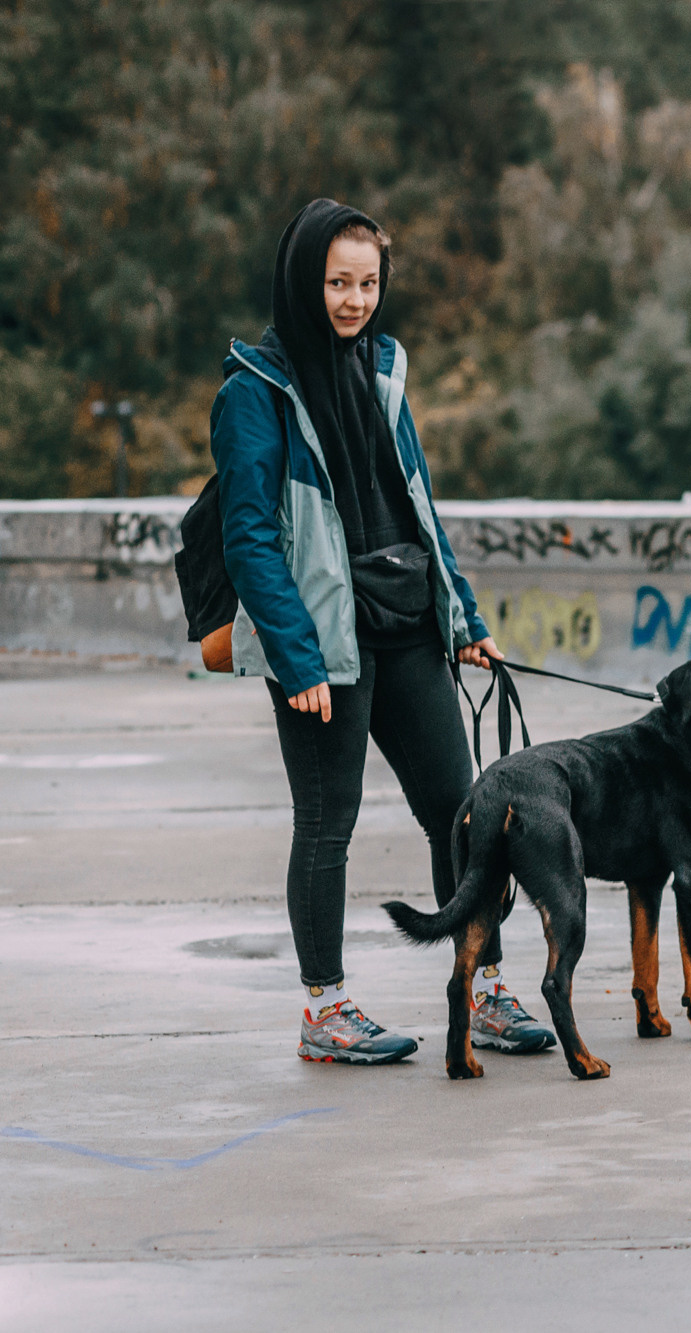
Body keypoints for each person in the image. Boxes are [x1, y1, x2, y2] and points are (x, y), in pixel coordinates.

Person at [211, 199, 554, 1064]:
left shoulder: (383, 371)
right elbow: (249, 538)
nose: (355, 299)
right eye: (337, 282)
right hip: (323, 645)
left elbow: (418, 505)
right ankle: (324, 1011)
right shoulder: (254, 393)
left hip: (405, 627)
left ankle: (482, 988)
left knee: (464, 811)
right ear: (303, 279)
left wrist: (465, 618)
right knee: (328, 822)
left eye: (368, 282)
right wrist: (295, 659)